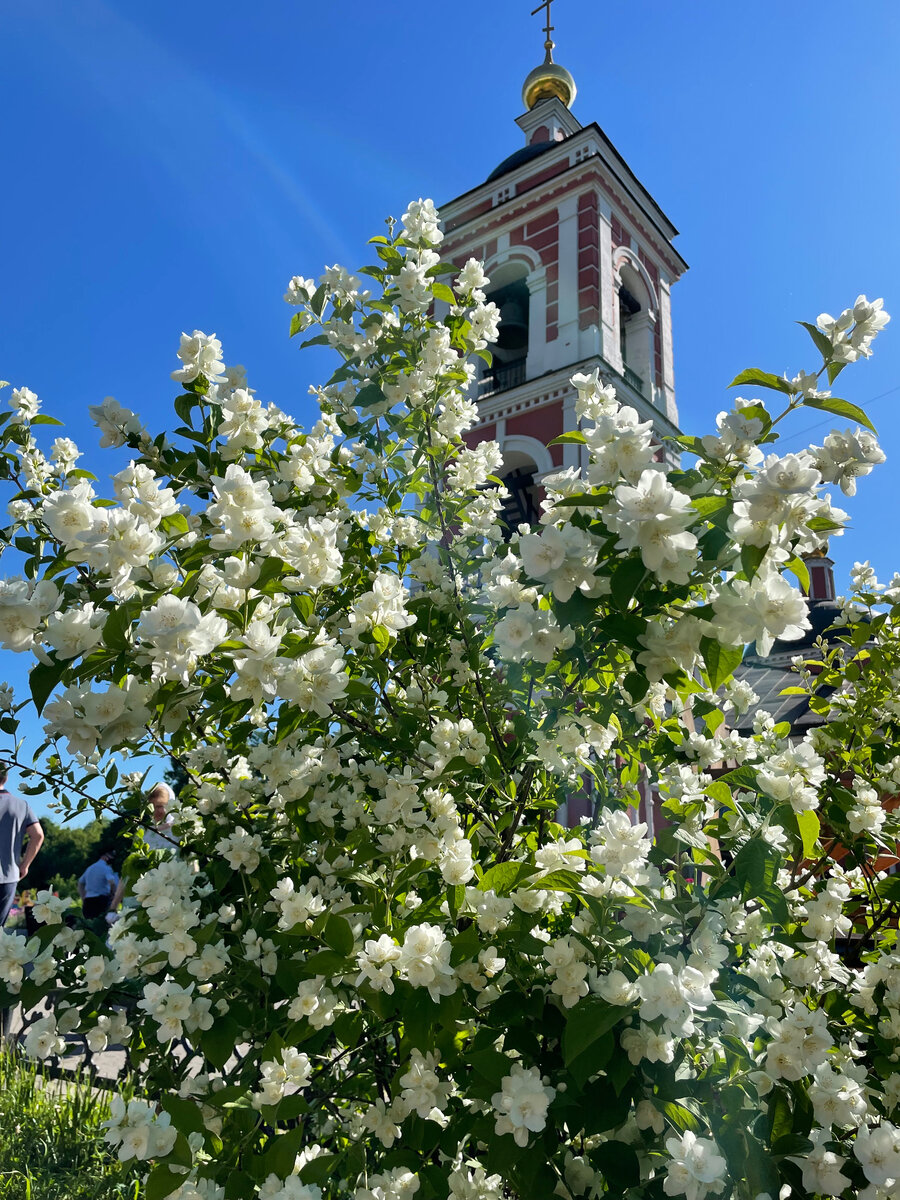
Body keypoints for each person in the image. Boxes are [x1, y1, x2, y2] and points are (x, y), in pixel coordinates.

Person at [0, 762, 44, 928]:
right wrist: (24, 865)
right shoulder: (21, 806)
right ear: (6, 777)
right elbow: (38, 835)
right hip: (8, 876)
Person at [77, 849, 119, 919]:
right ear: (104, 856)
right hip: (101, 901)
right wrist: (113, 895)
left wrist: (83, 897)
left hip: (88, 901)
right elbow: (112, 883)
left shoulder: (90, 868)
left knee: (89, 922)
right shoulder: (106, 868)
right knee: (103, 922)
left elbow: (80, 883)